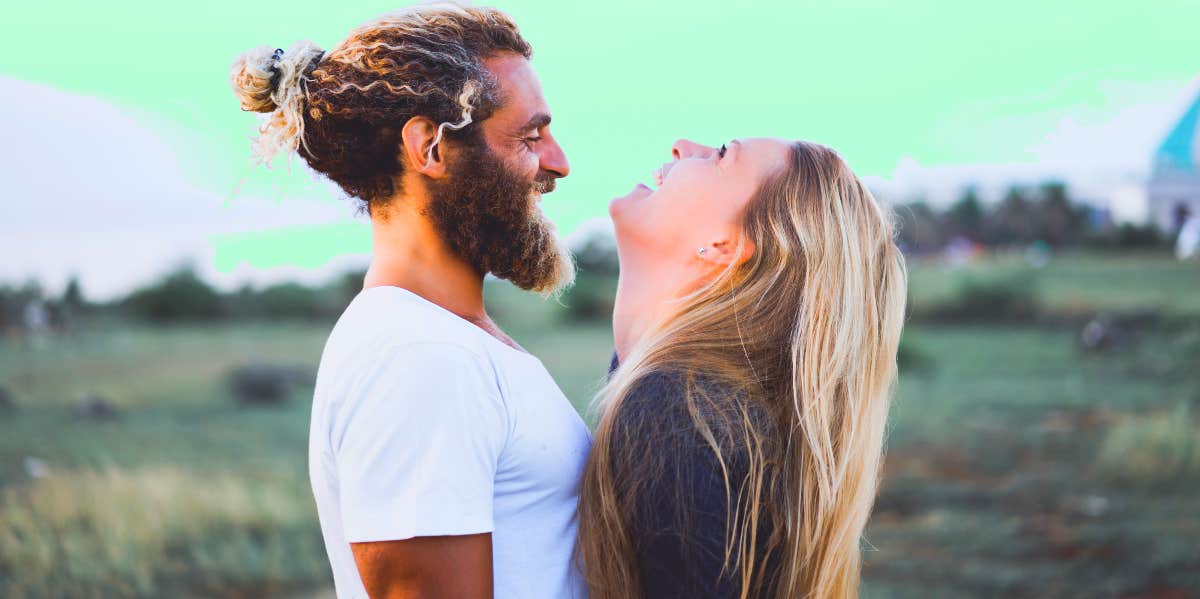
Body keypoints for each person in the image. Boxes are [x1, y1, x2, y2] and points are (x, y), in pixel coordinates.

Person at [230, 4, 590, 598]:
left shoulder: (453, 338)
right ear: (430, 147)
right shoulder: (420, 355)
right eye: (529, 136)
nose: (558, 162)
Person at [578, 138, 908, 598]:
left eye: (720, 155)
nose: (681, 148)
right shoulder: (680, 398)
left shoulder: (677, 414)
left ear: (723, 246)